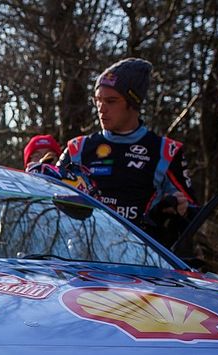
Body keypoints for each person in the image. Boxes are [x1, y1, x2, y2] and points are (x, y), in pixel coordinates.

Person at [58, 57, 197, 245]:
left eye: (111, 101)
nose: (101, 108)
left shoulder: (166, 151)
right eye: (98, 100)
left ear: (133, 103)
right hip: (82, 258)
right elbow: (48, 200)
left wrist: (173, 211)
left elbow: (193, 216)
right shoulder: (78, 148)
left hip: (140, 259)